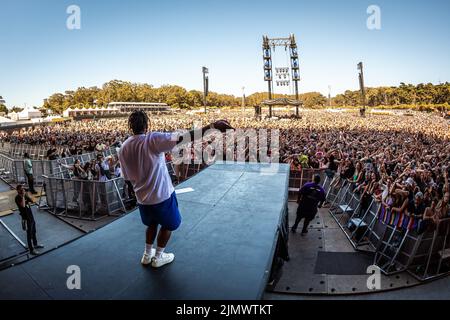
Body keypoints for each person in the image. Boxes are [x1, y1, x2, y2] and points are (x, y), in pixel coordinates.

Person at [118, 110, 233, 268]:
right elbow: (185, 136)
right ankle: (158, 257)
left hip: (142, 198)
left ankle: (146, 254)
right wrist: (213, 126)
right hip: (162, 196)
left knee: (151, 224)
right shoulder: (152, 139)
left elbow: (127, 177)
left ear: (130, 126)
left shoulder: (124, 147)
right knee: (168, 225)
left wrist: (137, 195)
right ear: (146, 125)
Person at [15, 184, 44, 255]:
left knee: (33, 231)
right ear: (18, 190)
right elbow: (23, 205)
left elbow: (33, 201)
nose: (22, 190)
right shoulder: (17, 197)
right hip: (26, 218)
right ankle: (31, 250)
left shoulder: (25, 195)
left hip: (31, 216)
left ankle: (35, 244)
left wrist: (27, 194)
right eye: (21, 189)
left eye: (23, 189)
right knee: (29, 234)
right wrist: (22, 196)